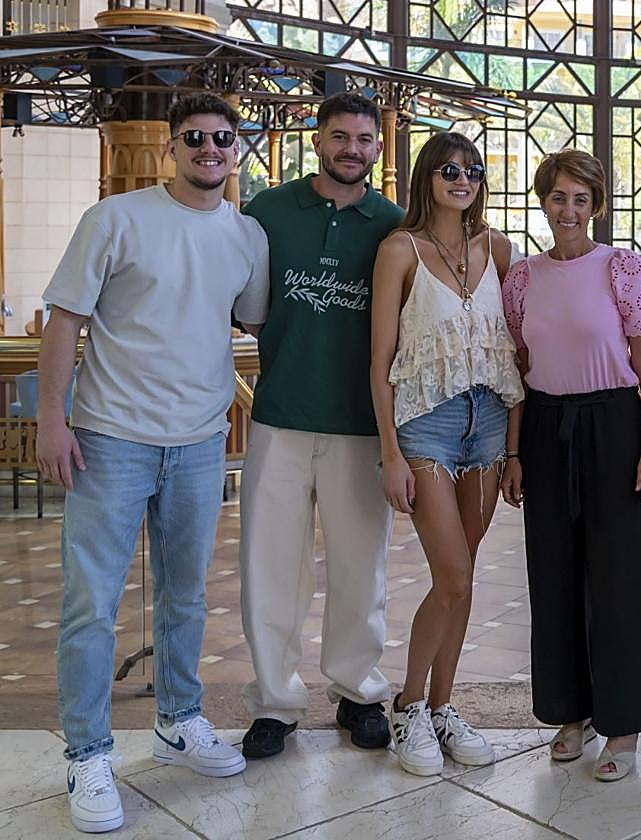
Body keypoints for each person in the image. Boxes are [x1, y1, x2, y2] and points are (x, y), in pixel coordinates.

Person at [36, 93, 269, 833]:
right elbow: (66, 320)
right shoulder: (116, 219)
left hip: (200, 441)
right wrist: (51, 418)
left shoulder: (249, 236)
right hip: (109, 437)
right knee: (91, 603)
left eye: (222, 138)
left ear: (239, 150)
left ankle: (178, 719)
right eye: (194, 137)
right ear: (172, 147)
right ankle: (87, 752)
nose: (209, 148)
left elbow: (258, 321)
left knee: (187, 598)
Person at [237, 92, 406, 759]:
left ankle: (359, 692)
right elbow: (249, 309)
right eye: (341, 137)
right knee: (269, 565)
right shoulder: (268, 211)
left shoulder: (393, 223)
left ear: (377, 149)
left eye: (364, 140)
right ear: (317, 139)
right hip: (279, 415)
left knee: (362, 568)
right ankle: (275, 702)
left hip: (362, 426)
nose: (352, 150)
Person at [499, 150, 641, 781]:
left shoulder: (621, 268)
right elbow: (517, 369)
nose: (567, 210)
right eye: (557, 197)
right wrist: (514, 452)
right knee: (554, 573)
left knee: (617, 574)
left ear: (596, 206)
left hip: (615, 423)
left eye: (580, 199)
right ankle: (571, 714)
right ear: (542, 201)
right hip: (544, 425)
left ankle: (621, 727)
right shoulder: (521, 278)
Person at [369, 131, 524, 776]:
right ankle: (408, 706)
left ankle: (441, 707)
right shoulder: (398, 250)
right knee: (453, 576)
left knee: (463, 582)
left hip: (488, 424)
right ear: (426, 177)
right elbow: (379, 364)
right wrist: (390, 455)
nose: (463, 178)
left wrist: (515, 448)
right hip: (426, 427)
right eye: (449, 169)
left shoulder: (499, 247)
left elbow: (518, 352)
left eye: (473, 170)